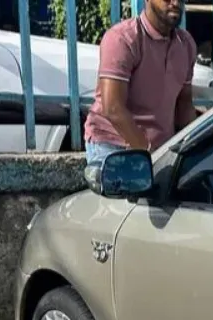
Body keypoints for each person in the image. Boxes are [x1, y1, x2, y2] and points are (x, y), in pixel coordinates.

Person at [83, 0, 198, 184]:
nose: (176, 3)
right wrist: (149, 156)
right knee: (126, 206)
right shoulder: (123, 38)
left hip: (161, 149)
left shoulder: (185, 45)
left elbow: (184, 105)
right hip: (113, 144)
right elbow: (113, 108)